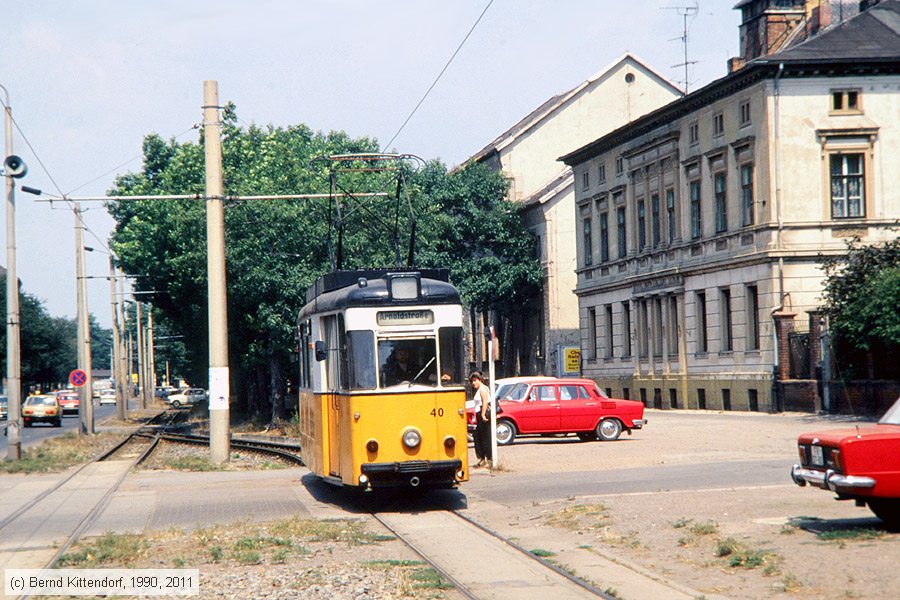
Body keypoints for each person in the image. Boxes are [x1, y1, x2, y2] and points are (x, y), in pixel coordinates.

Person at [470, 371, 492, 468]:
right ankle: (482, 458)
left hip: (483, 414)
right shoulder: (479, 389)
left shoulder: (483, 389)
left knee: (485, 438)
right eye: (472, 381)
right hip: (479, 415)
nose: (473, 383)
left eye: (475, 380)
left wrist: (483, 415)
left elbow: (485, 402)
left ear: (480, 380)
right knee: (478, 437)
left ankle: (489, 459)